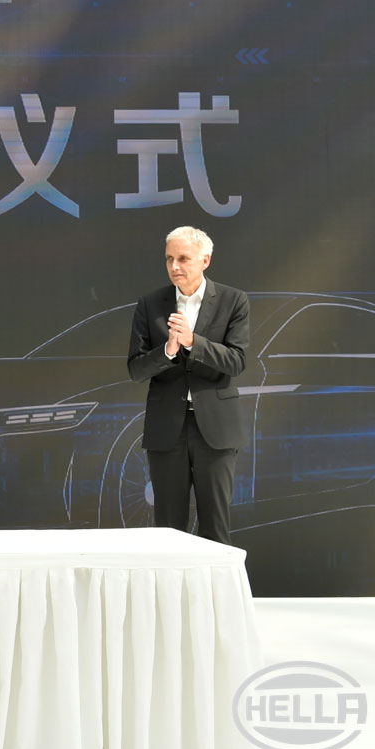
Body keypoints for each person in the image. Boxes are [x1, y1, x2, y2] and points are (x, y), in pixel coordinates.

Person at [126, 226, 250, 544]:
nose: (174, 266)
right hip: (167, 429)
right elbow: (136, 369)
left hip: (216, 429)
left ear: (205, 260)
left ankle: (214, 581)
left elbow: (236, 361)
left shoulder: (233, 300)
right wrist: (168, 351)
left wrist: (194, 342)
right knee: (168, 531)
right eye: (169, 259)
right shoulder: (150, 304)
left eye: (183, 258)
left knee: (215, 528)